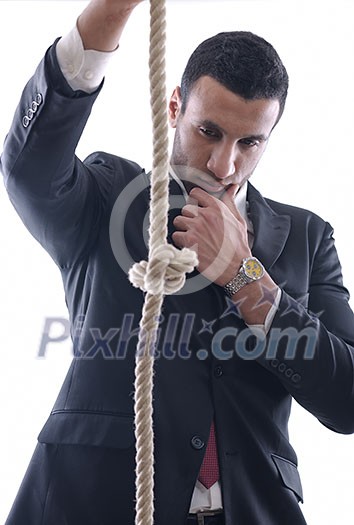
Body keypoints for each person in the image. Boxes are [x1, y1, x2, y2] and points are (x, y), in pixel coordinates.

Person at [2, 0, 354, 524]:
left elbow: (346, 399)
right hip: (94, 502)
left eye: (249, 142)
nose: (224, 163)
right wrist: (110, 13)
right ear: (174, 109)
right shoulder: (109, 197)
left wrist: (243, 275)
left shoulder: (307, 236)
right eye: (208, 131)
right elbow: (30, 170)